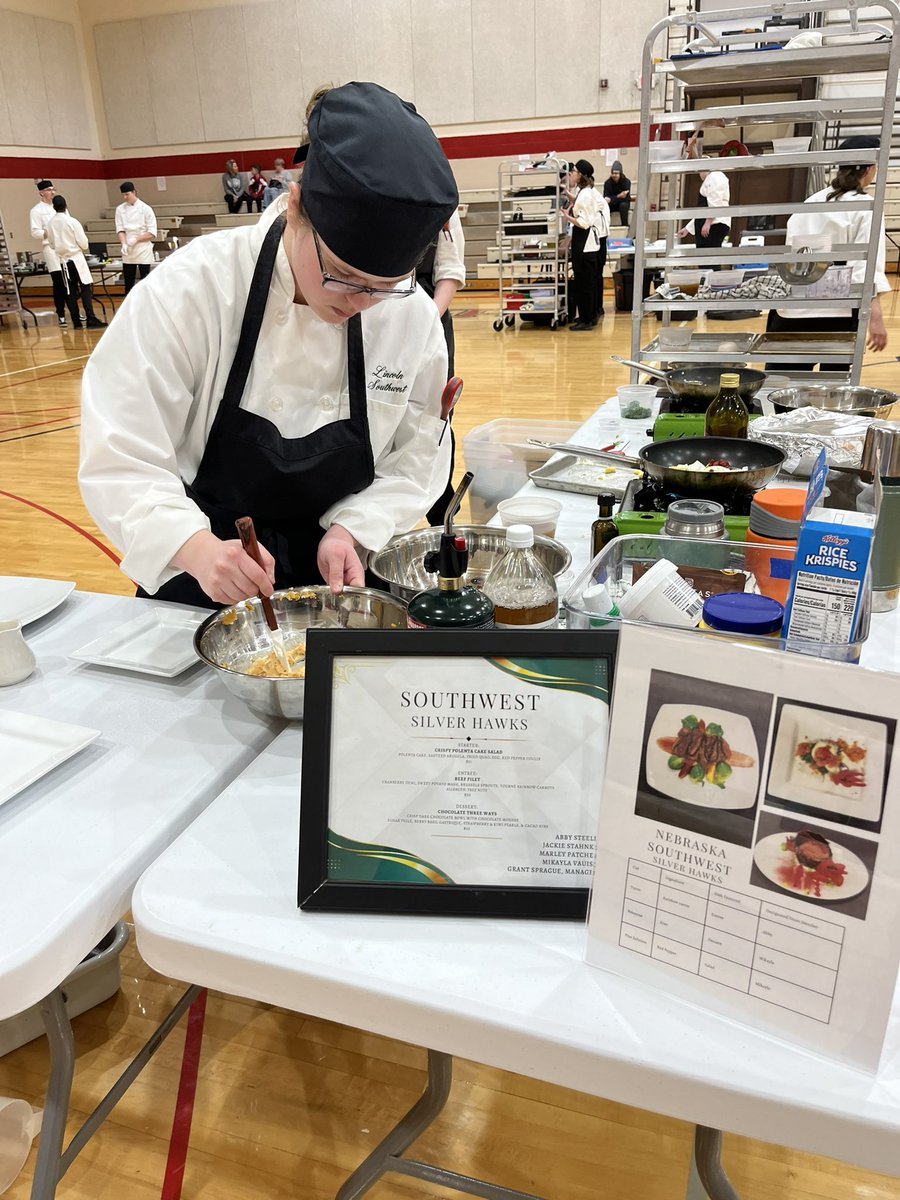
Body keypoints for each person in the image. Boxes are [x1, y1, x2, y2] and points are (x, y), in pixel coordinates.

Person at [79, 82, 458, 609]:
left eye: (382, 287)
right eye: (343, 277)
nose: (361, 303)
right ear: (295, 207)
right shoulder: (196, 288)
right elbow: (120, 451)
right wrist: (194, 549)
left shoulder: (410, 316)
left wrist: (352, 529)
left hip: (340, 577)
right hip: (199, 571)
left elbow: (417, 454)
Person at [764, 135, 888, 371]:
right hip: (836, 312)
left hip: (792, 310)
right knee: (831, 389)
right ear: (871, 169)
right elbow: (865, 267)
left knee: (783, 385)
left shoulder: (811, 201)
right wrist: (875, 315)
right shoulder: (865, 206)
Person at [420, 208, 466, 525]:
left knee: (435, 416)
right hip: (372, 311)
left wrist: (426, 321)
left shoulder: (440, 197)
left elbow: (449, 268)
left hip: (428, 313)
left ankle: (442, 513)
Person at [45, 196, 106, 330]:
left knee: (70, 291)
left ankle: (76, 321)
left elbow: (51, 244)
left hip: (63, 261)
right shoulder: (72, 221)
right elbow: (84, 244)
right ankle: (90, 318)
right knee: (85, 289)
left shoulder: (49, 224)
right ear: (66, 206)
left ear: (53, 207)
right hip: (76, 259)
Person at [562, 159, 601, 331]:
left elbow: (583, 223)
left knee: (584, 282)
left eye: (575, 171)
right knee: (588, 282)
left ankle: (585, 320)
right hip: (588, 242)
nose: (572, 173)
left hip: (584, 240)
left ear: (581, 175)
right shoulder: (586, 191)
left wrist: (566, 216)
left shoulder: (585, 194)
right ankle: (589, 316)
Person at [29, 180, 68, 327]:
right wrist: (48, 231)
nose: (52, 192)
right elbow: (35, 232)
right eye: (48, 190)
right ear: (41, 192)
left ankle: (74, 311)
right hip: (50, 248)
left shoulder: (60, 206)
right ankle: (61, 314)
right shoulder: (36, 210)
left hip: (65, 247)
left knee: (69, 280)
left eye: (53, 189)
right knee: (58, 282)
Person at [676, 154, 730, 253]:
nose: (699, 174)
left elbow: (715, 201)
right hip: (713, 223)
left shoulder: (714, 177)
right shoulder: (715, 177)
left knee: (708, 259)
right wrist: (688, 228)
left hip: (714, 225)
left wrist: (708, 222)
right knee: (707, 258)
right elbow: (704, 209)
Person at [115, 182, 158, 294]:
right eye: (123, 195)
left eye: (127, 194)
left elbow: (152, 232)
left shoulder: (146, 208)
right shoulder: (120, 209)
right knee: (128, 282)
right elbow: (120, 229)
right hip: (128, 248)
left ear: (134, 192)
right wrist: (124, 243)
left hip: (143, 248)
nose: (125, 197)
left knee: (145, 280)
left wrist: (136, 239)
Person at [603, 161, 631, 227]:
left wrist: (612, 199)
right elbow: (606, 198)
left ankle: (625, 226)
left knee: (623, 205)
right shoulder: (607, 183)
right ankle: (605, 226)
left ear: (620, 173)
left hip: (623, 204)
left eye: (616, 173)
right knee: (604, 206)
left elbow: (625, 198)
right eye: (612, 173)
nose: (614, 175)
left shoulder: (626, 182)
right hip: (612, 205)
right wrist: (619, 196)